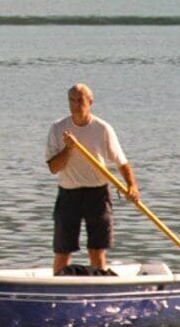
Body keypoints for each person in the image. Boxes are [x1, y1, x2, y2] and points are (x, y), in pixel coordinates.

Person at [44, 83, 135, 276]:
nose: (76, 105)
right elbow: (53, 168)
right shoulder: (58, 128)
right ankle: (59, 285)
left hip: (98, 194)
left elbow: (121, 162)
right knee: (63, 250)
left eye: (81, 100)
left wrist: (131, 185)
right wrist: (69, 149)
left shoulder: (102, 129)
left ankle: (100, 284)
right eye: (72, 100)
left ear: (90, 102)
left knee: (97, 250)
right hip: (68, 194)